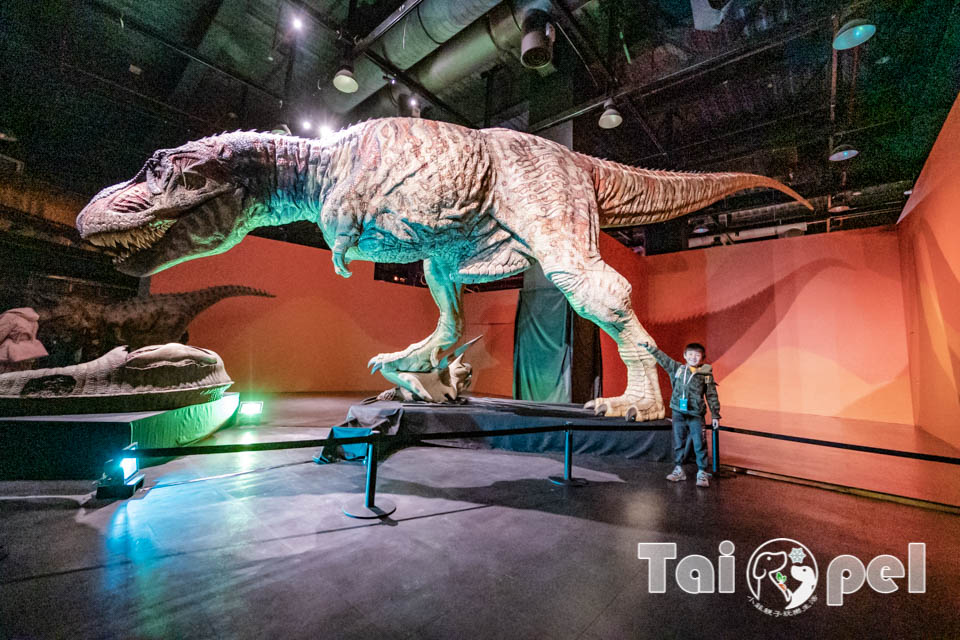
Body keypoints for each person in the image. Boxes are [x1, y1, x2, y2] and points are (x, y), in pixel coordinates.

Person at [640, 341, 720, 487]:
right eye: (690, 354)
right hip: (678, 412)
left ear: (702, 357)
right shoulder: (677, 369)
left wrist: (715, 415)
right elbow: (662, 358)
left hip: (695, 414)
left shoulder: (706, 374)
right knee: (678, 442)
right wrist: (649, 347)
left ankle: (702, 472)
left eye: (697, 355)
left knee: (699, 443)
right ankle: (678, 469)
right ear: (685, 356)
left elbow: (712, 395)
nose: (693, 358)